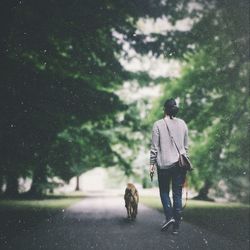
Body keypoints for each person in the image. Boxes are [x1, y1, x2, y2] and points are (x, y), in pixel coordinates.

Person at [149, 98, 189, 235]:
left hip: (164, 164)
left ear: (164, 110)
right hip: (179, 164)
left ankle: (169, 217)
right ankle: (176, 227)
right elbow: (185, 147)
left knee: (164, 191)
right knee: (177, 194)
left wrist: (151, 164)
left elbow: (154, 148)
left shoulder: (158, 124)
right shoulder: (183, 124)